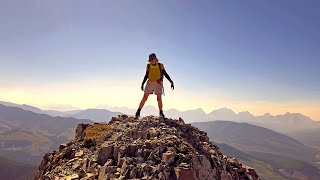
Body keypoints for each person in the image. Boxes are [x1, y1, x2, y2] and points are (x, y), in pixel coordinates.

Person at [135, 53, 174, 118]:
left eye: (155, 58)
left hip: (158, 83)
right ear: (151, 60)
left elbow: (165, 73)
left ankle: (161, 112)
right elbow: (146, 75)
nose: (155, 60)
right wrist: (143, 83)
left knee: (159, 99)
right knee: (145, 97)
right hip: (150, 82)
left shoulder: (160, 65)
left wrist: (171, 81)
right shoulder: (148, 66)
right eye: (153, 59)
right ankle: (138, 111)